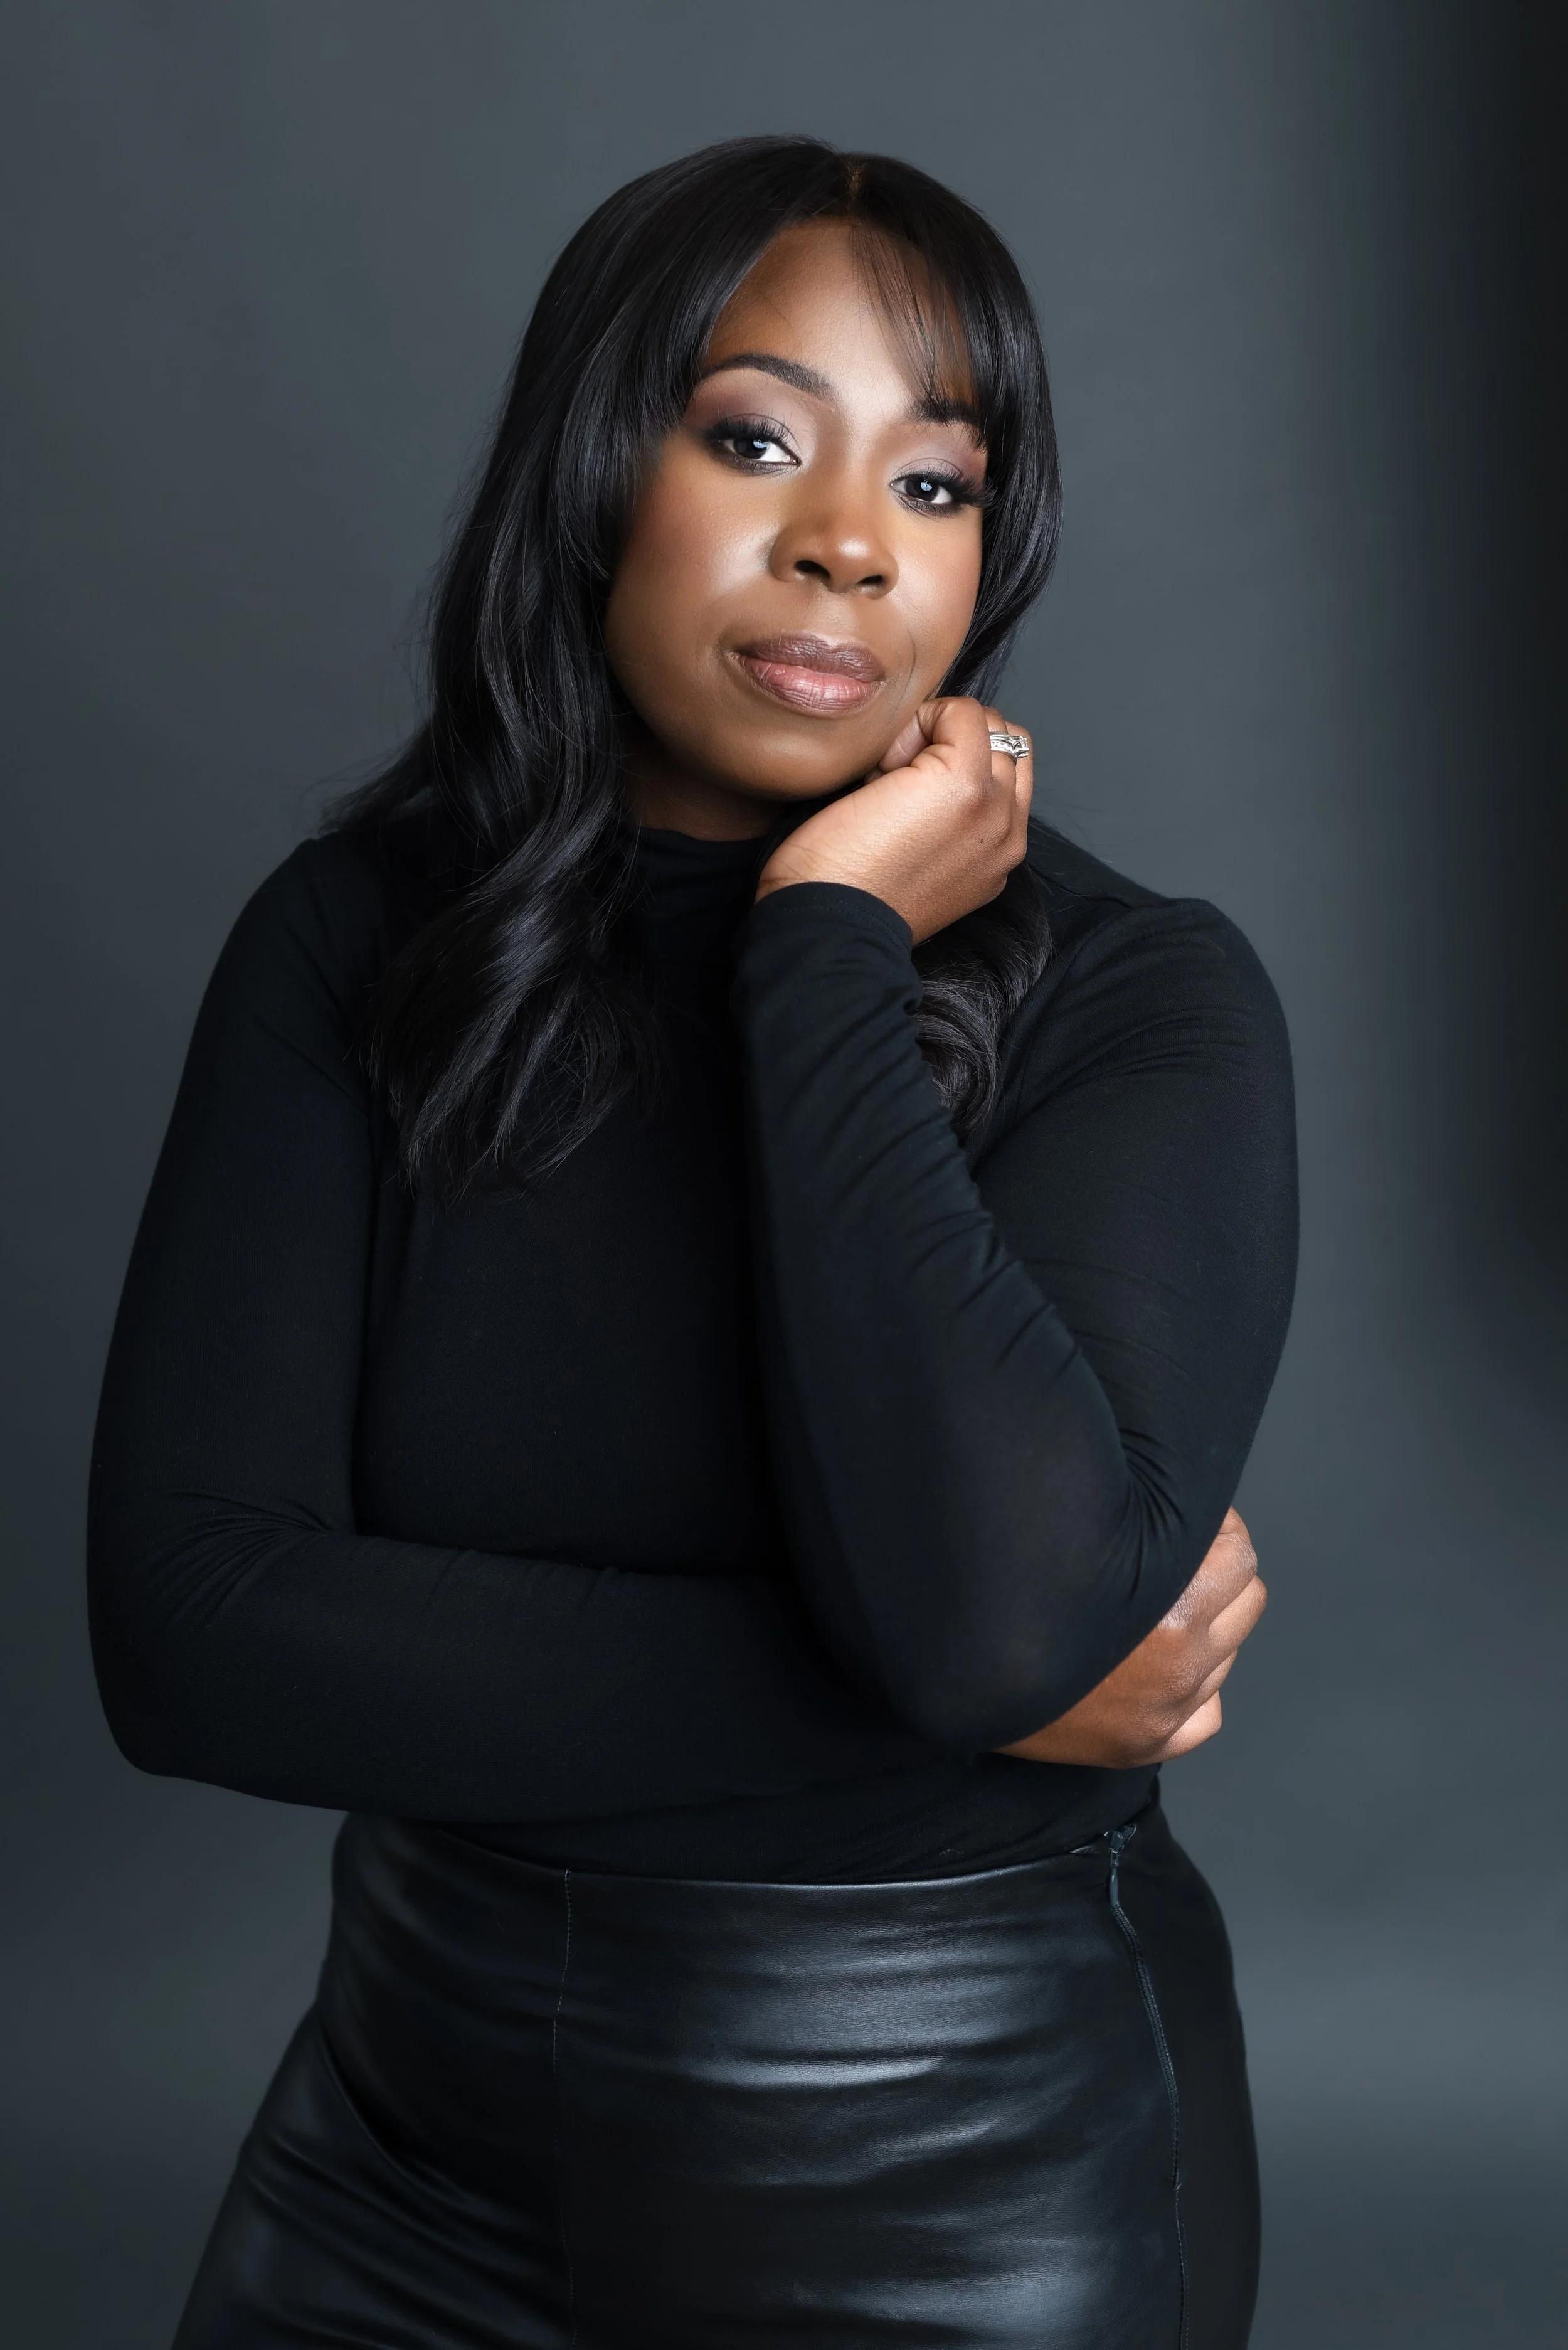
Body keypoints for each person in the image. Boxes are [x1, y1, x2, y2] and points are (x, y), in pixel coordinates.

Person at [88, 137, 1296, 2349]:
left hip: (953, 2161)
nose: (845, 539)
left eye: (935, 487)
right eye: (752, 439)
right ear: (587, 470)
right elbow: (195, 1636)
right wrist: (992, 1703)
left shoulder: (1142, 1000)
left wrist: (825, 942)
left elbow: (988, 1608)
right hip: (401, 2148)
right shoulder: (359, 944)